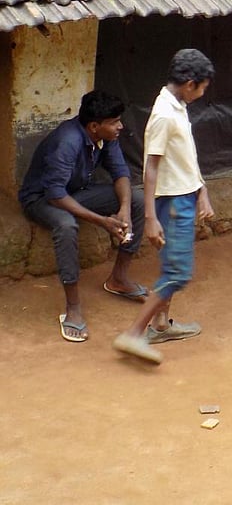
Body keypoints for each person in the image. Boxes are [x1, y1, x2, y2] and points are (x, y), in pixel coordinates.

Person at [112, 49, 216, 364]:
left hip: (184, 196)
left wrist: (202, 191)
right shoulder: (164, 115)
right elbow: (151, 167)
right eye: (202, 87)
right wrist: (150, 218)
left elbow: (185, 156)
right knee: (178, 272)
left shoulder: (177, 105)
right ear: (188, 83)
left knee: (172, 266)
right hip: (172, 204)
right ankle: (134, 334)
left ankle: (160, 325)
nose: (202, 93)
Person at [18, 90, 147, 343]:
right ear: (94, 126)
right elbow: (55, 195)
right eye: (114, 122)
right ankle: (73, 307)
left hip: (75, 193)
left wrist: (123, 211)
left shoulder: (106, 137)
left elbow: (120, 172)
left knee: (137, 200)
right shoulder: (68, 141)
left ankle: (119, 278)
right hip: (42, 199)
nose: (120, 126)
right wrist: (102, 221)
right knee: (66, 225)